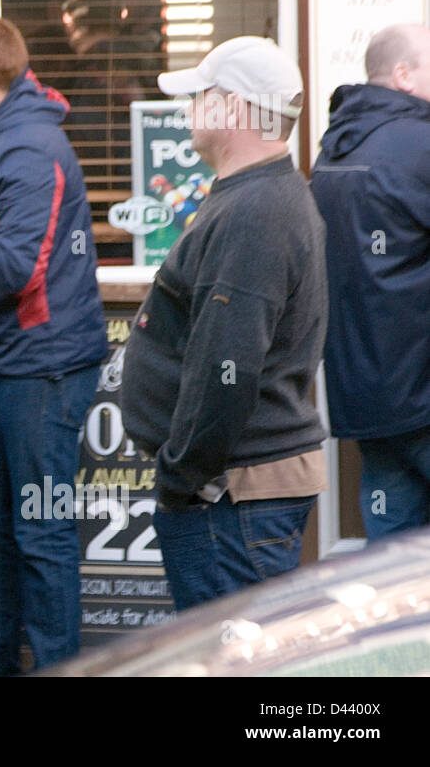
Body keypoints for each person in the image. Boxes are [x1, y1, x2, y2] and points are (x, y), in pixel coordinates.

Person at [121, 36, 328, 611]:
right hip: (233, 490)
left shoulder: (256, 210)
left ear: (233, 109)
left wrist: (184, 479)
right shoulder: (259, 196)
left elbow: (225, 368)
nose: (189, 112)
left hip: (230, 495)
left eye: (200, 97)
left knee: (231, 656)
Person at [0, 16, 107, 675]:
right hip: (10, 360)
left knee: (41, 536)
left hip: (47, 370)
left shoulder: (31, 149)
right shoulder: (1, 140)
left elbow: (17, 267)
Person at [312, 23, 430, 540]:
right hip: (422, 391)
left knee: (392, 567)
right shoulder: (420, 144)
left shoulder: (334, 148)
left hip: (369, 397)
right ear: (403, 75)